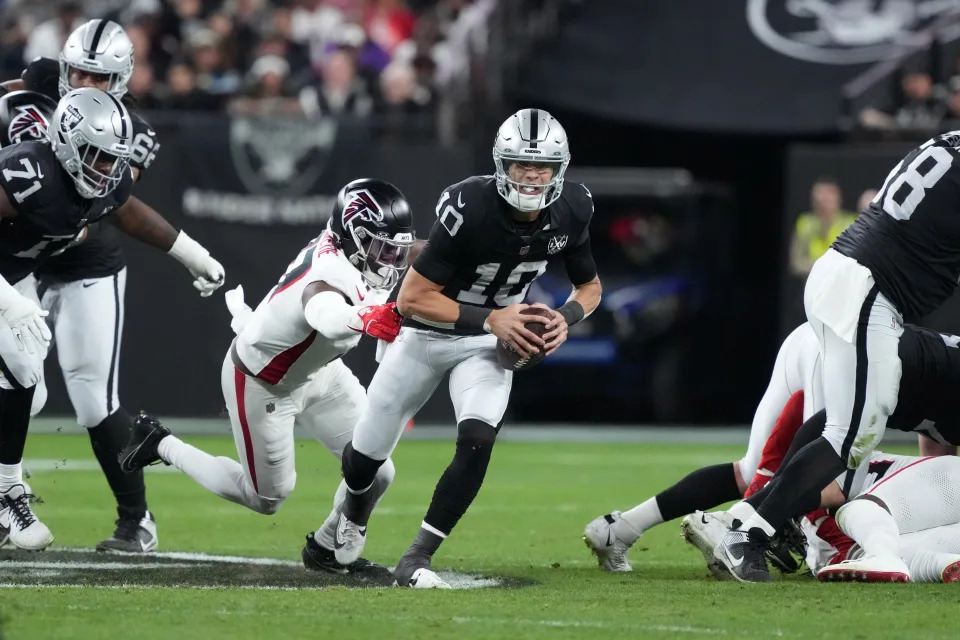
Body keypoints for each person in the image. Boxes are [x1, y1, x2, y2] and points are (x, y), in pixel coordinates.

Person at [331, 108, 603, 588]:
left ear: (559, 169)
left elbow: (590, 287)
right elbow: (412, 299)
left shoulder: (573, 208)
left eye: (542, 166)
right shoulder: (469, 205)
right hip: (425, 333)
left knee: (478, 439)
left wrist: (566, 316)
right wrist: (492, 317)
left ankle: (417, 557)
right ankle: (353, 510)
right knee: (364, 459)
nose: (532, 175)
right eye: (521, 164)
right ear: (502, 164)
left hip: (487, 344)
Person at [0, 19, 225, 553]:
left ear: (120, 79)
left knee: (91, 398)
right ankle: (7, 494)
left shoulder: (124, 135)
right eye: (78, 72)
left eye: (98, 77)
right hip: (19, 256)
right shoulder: (38, 89)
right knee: (23, 380)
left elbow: (106, 197)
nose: (84, 84)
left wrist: (191, 253)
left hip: (82, 258)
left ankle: (136, 519)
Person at [119, 180, 414, 574]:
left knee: (378, 469)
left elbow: (416, 253)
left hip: (320, 371)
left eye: (395, 249)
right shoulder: (329, 272)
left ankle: (325, 548)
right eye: (382, 248)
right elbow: (324, 313)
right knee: (267, 498)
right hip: (264, 381)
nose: (391, 260)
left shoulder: (349, 250)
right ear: (353, 236)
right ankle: (159, 443)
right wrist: (366, 317)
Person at [715, 128, 960, 580]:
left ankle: (751, 520)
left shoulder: (946, 142)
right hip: (870, 290)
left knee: (846, 426)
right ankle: (749, 534)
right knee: (851, 435)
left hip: (847, 274)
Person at [586, 320, 960, 573]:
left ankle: (620, 528)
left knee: (752, 472)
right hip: (851, 355)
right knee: (829, 488)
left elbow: (934, 455)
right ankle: (736, 526)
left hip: (817, 339)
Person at [788, 177, 856, 277]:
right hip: (812, 279)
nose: (824, 201)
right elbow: (796, 262)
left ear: (838, 198)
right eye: (821, 197)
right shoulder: (805, 223)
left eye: (829, 196)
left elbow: (857, 260)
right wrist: (819, 268)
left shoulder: (851, 223)